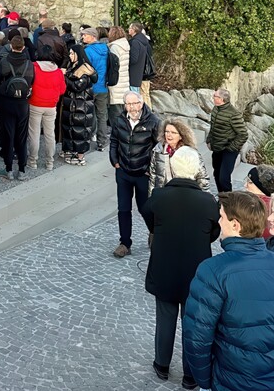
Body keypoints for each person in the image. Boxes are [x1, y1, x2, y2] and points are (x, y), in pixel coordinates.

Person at [172, 191, 274, 391]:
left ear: (235, 225)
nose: (217, 222)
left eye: (221, 217)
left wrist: (207, 383)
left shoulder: (213, 271)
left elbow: (196, 338)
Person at [140, 147, 220, 389]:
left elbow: (149, 220)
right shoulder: (208, 202)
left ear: (173, 168)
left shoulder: (160, 196)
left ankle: (162, 365)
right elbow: (214, 233)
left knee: (165, 318)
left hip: (164, 266)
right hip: (196, 271)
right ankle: (190, 375)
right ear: (196, 171)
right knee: (192, 323)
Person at [109, 90, 161, 258]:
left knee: (144, 207)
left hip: (142, 174)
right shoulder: (119, 120)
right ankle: (125, 243)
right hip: (123, 171)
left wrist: (149, 169)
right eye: (128, 104)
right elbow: (114, 141)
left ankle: (153, 231)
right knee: (123, 209)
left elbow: (159, 147)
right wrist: (114, 161)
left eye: (134, 103)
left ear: (141, 103)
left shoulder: (153, 122)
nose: (131, 107)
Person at [0, 35, 34, 180]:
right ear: (23, 47)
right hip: (23, 102)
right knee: (22, 136)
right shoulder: (29, 64)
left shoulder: (4, 61)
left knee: (8, 135)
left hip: (7, 101)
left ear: (11, 46)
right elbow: (32, 80)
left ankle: (9, 168)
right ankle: (22, 169)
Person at [148, 119, 210, 196]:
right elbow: (153, 176)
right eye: (167, 131)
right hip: (163, 195)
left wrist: (203, 199)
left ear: (181, 136)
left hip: (185, 195)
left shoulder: (190, 153)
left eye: (173, 132)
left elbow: (202, 178)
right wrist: (151, 197)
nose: (169, 135)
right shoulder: (157, 150)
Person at [27, 51, 66, 171]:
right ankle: (50, 162)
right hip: (51, 105)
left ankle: (33, 160)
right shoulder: (58, 71)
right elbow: (62, 90)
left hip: (35, 104)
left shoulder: (33, 67)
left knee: (34, 133)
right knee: (50, 134)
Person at [206, 87, 247, 192]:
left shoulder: (234, 114)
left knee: (224, 178)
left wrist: (231, 148)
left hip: (229, 150)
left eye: (215, 96)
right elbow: (213, 127)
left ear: (221, 99)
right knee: (216, 174)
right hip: (217, 148)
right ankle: (221, 197)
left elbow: (243, 134)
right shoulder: (215, 109)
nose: (213, 97)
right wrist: (209, 140)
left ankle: (228, 202)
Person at [60, 44, 95, 167]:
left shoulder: (85, 69)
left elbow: (77, 86)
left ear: (77, 54)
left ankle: (80, 156)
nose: (70, 56)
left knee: (81, 131)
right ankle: (70, 151)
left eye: (71, 53)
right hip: (72, 104)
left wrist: (64, 77)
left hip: (81, 106)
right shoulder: (73, 66)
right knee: (71, 129)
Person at [81, 27, 109, 151]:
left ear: (92, 36)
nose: (83, 37)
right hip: (103, 86)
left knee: (89, 114)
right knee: (102, 115)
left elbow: (85, 69)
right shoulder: (105, 48)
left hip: (91, 86)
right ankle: (102, 141)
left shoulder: (87, 51)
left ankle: (88, 138)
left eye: (85, 35)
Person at [107, 26, 131, 128]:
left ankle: (118, 133)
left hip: (116, 82)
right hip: (124, 81)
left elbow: (113, 66)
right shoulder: (126, 46)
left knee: (115, 112)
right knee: (123, 110)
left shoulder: (115, 47)